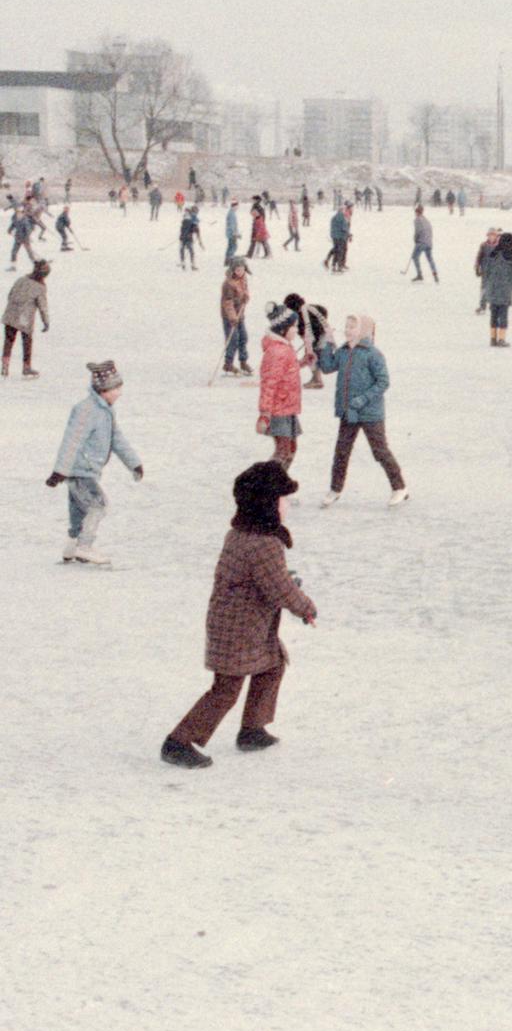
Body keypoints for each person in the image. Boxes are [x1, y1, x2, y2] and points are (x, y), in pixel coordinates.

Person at [160, 461, 316, 768]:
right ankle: (178, 742)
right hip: (239, 629)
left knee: (272, 666)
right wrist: (306, 608)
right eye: (283, 499)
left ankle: (253, 729)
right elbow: (280, 588)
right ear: (268, 505)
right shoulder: (265, 544)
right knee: (226, 690)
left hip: (239, 624)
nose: (287, 505)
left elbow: (266, 579)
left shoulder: (240, 533)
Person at [45, 360, 142, 566]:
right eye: (116, 388)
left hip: (87, 469)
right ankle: (84, 547)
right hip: (80, 471)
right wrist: (60, 471)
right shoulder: (86, 410)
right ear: (102, 389)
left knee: (79, 511)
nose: (119, 392)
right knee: (98, 505)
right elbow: (72, 440)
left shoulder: (106, 410)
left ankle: (71, 546)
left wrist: (134, 463)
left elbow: (117, 438)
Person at [316, 314, 409, 507]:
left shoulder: (373, 353)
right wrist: (326, 343)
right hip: (348, 412)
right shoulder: (342, 352)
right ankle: (335, 489)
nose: (348, 330)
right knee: (341, 451)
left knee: (380, 451)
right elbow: (326, 367)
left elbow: (383, 382)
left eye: (352, 327)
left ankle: (399, 487)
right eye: (347, 326)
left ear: (363, 330)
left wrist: (363, 399)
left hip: (370, 413)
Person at [258, 304, 305, 469]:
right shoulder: (276, 352)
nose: (296, 330)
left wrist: (303, 363)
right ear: (283, 328)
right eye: (294, 326)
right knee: (282, 451)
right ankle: (268, 488)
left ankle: (278, 485)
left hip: (288, 408)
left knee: (291, 449)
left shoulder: (284, 347)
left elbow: (286, 372)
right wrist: (265, 413)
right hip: (278, 411)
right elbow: (269, 384)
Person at [2, 258, 50, 378]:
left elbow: (10, 294)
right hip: (25, 318)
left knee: (8, 340)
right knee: (27, 342)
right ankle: (26, 367)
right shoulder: (40, 287)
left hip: (11, 313)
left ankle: (4, 365)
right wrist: (46, 322)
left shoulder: (21, 279)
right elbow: (42, 306)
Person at [483, 232, 512, 347]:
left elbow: (486, 271)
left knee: (493, 314)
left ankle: (493, 338)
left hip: (492, 290)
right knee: (503, 315)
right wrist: (511, 285)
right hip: (505, 291)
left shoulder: (492, 254)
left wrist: (488, 284)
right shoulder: (511, 257)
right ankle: (501, 339)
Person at [220, 259, 251, 377]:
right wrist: (232, 317)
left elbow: (245, 292)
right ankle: (228, 363)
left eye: (242, 269)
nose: (240, 272)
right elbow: (227, 302)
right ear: (233, 270)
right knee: (233, 339)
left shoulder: (243, 279)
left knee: (243, 337)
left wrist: (246, 297)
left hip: (240, 314)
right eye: (238, 270)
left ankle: (243, 361)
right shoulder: (228, 284)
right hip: (229, 316)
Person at [411, 205, 437, 282]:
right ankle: (435, 274)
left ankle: (419, 274)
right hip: (429, 242)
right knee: (430, 259)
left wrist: (415, 239)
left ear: (417, 212)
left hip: (421, 242)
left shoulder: (417, 220)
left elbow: (417, 231)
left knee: (414, 257)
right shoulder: (426, 220)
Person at [178, 206, 202, 270]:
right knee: (190, 251)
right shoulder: (191, 219)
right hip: (187, 237)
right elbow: (195, 228)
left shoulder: (186, 218)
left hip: (183, 237)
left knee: (183, 249)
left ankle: (183, 263)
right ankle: (191, 265)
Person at [224, 200, 240, 265]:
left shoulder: (231, 213)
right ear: (234, 206)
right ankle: (230, 260)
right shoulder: (232, 214)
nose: (237, 208)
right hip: (232, 233)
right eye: (237, 206)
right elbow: (232, 225)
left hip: (230, 233)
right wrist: (235, 233)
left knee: (230, 246)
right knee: (233, 246)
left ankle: (227, 260)